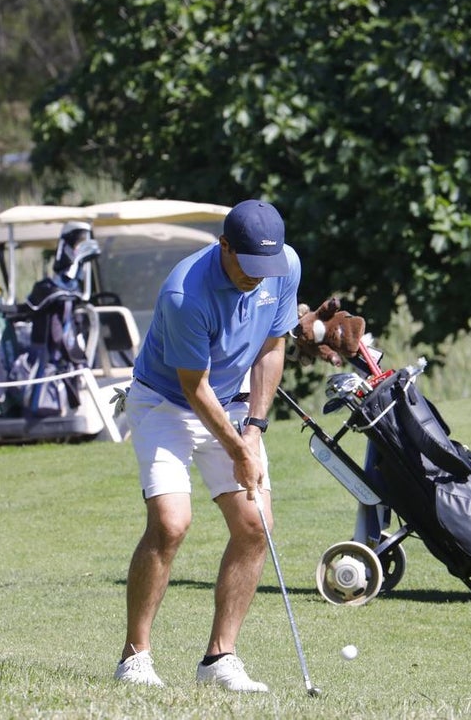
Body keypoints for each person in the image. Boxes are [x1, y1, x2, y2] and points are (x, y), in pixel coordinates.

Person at [113, 199, 300, 691]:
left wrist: (254, 429)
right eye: (248, 266)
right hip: (164, 402)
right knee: (172, 523)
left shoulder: (283, 267)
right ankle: (135, 657)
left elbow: (272, 348)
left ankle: (219, 659)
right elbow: (193, 387)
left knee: (255, 524)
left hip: (234, 403)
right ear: (224, 248)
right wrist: (237, 450)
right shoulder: (184, 292)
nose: (258, 277)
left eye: (268, 266)